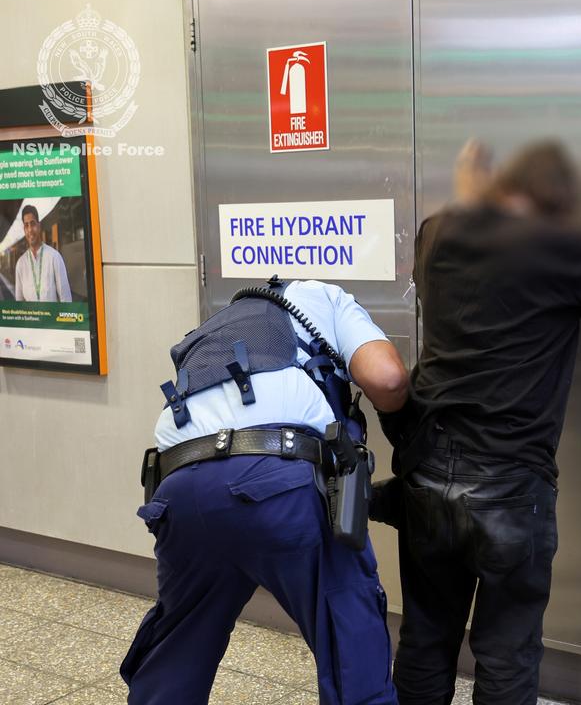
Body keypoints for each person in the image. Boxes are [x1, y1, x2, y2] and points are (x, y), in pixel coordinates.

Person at [376, 126, 581, 705]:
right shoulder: (557, 248)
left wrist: (472, 193)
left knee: (426, 636)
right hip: (508, 482)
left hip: (427, 472)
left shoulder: (436, 234)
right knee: (505, 651)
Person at [120, 278, 409, 705]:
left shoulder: (219, 326)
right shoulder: (328, 298)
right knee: (349, 632)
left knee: (176, 649)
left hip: (179, 488)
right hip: (279, 480)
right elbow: (386, 380)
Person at [13, 205, 72, 302]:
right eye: (26, 225)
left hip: (52, 317)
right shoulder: (20, 264)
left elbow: (66, 299)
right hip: (31, 317)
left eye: (33, 224)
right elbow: (19, 302)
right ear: (24, 230)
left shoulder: (54, 257)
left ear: (39, 226)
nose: (30, 230)